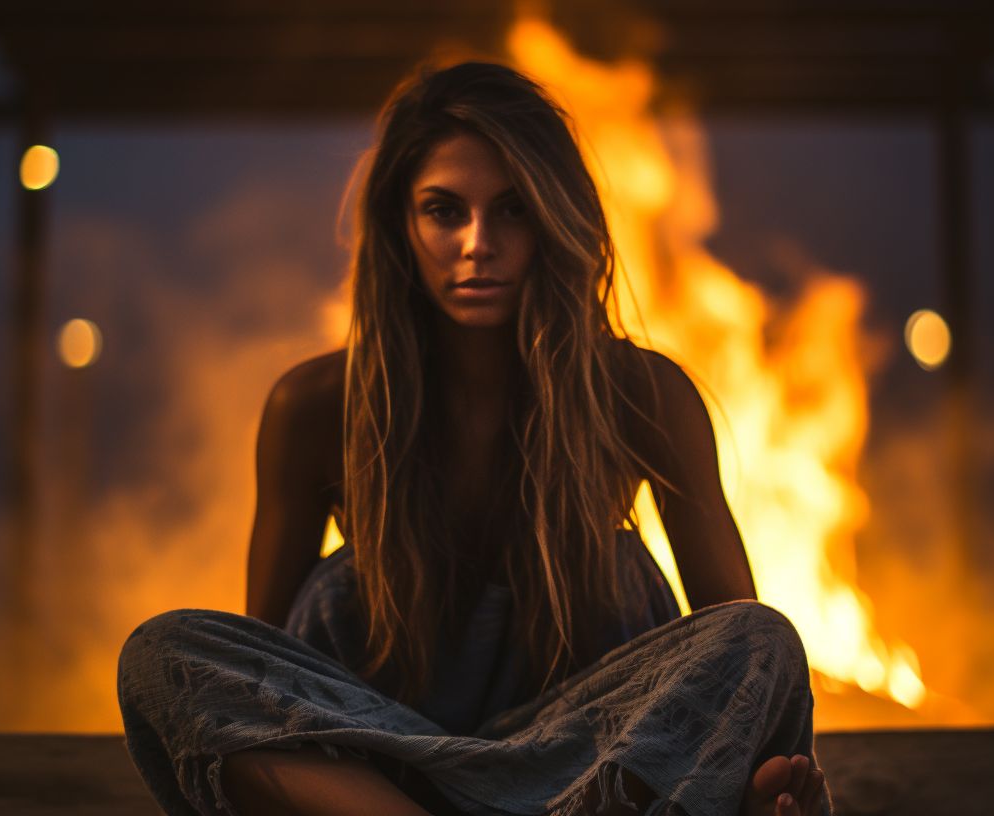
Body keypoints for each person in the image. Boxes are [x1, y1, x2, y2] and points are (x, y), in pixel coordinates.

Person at [118, 61, 830, 816]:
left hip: (583, 760)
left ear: (557, 219)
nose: (478, 243)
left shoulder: (640, 394)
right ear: (402, 224)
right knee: (162, 658)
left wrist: (766, 769)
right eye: (444, 211)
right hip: (378, 772)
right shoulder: (318, 405)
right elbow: (263, 672)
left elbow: (743, 652)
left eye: (514, 209)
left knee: (763, 640)